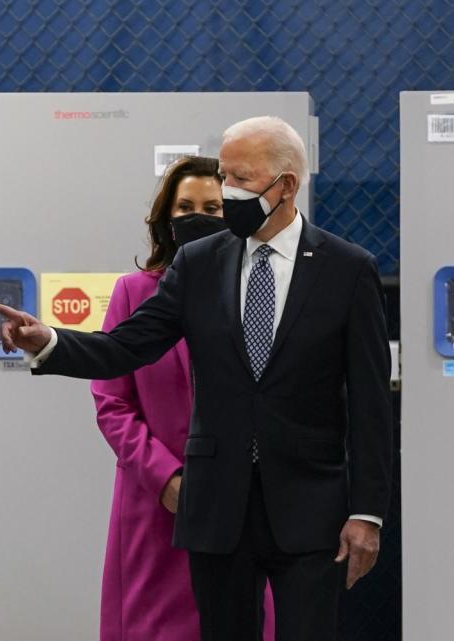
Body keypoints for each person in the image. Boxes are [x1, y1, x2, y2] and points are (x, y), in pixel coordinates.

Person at [0, 116, 392, 641]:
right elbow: (125, 348)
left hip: (309, 510)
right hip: (217, 508)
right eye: (226, 176)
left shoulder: (347, 268)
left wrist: (368, 513)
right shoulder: (199, 263)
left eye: (242, 179)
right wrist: (51, 342)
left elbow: (369, 403)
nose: (229, 192)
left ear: (286, 185)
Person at [92, 156, 274, 641]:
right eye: (186, 207)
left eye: (214, 208)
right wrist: (165, 477)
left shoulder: (263, 291)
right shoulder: (133, 293)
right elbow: (112, 402)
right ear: (166, 219)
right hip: (157, 505)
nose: (199, 217)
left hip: (241, 501)